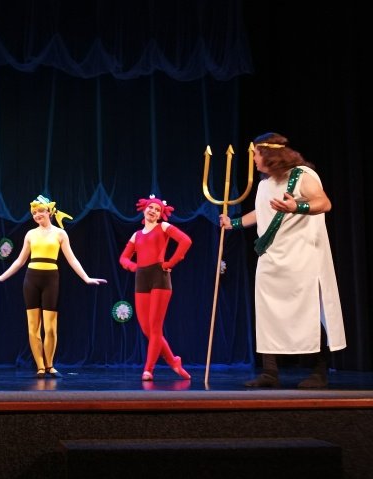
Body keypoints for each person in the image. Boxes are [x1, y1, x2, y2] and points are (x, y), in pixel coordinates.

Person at [220, 132, 346, 388]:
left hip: (302, 257)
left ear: (268, 154)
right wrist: (233, 223)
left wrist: (297, 207)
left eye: (255, 154)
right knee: (268, 313)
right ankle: (270, 372)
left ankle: (319, 371)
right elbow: (262, 212)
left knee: (307, 311)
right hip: (271, 258)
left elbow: (324, 203)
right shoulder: (265, 185)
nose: (253, 160)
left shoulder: (302, 175)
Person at [0, 194, 107, 378]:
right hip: (31, 278)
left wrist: (86, 278)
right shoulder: (30, 234)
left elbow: (72, 259)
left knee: (50, 327)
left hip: (51, 278)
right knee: (33, 326)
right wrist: (2, 277)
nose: (37, 215)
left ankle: (50, 365)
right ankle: (40, 366)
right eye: (34, 213)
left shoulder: (60, 234)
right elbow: (20, 261)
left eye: (40, 211)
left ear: (49, 211)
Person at [119, 195, 193, 381]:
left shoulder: (164, 227)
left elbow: (186, 241)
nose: (153, 211)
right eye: (151, 207)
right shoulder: (136, 235)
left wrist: (171, 263)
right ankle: (173, 361)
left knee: (155, 327)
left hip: (160, 277)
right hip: (141, 279)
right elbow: (123, 258)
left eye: (157, 209)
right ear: (144, 209)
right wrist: (134, 267)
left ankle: (148, 369)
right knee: (147, 329)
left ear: (160, 215)